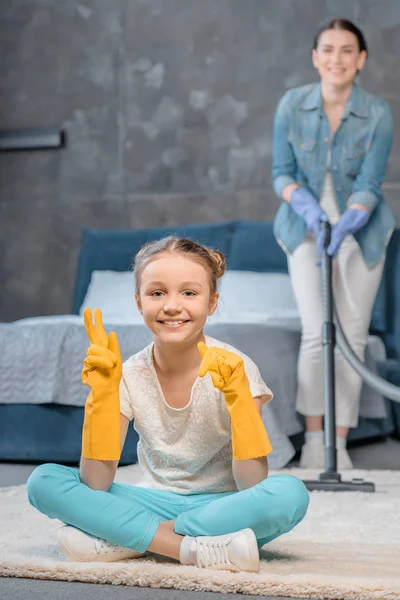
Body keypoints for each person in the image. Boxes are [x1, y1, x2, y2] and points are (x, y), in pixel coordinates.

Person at [26, 236, 309, 573]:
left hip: (223, 505)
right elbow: (96, 484)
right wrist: (103, 397)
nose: (172, 306)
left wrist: (241, 407)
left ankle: (128, 538)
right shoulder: (128, 373)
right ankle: (191, 549)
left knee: (289, 494)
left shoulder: (237, 368)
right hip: (154, 501)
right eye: (157, 293)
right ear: (138, 302)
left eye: (189, 293)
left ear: (212, 302)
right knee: (44, 481)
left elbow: (252, 486)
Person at [272, 19, 395, 469]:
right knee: (315, 334)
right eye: (328, 49)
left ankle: (338, 447)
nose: (336, 59)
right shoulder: (291, 105)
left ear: (360, 59)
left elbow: (370, 182)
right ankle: (313, 443)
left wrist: (349, 220)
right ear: (315, 56)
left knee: (353, 339)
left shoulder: (377, 112)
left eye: (347, 51)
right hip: (303, 229)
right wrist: (305, 205)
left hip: (361, 232)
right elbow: (280, 172)